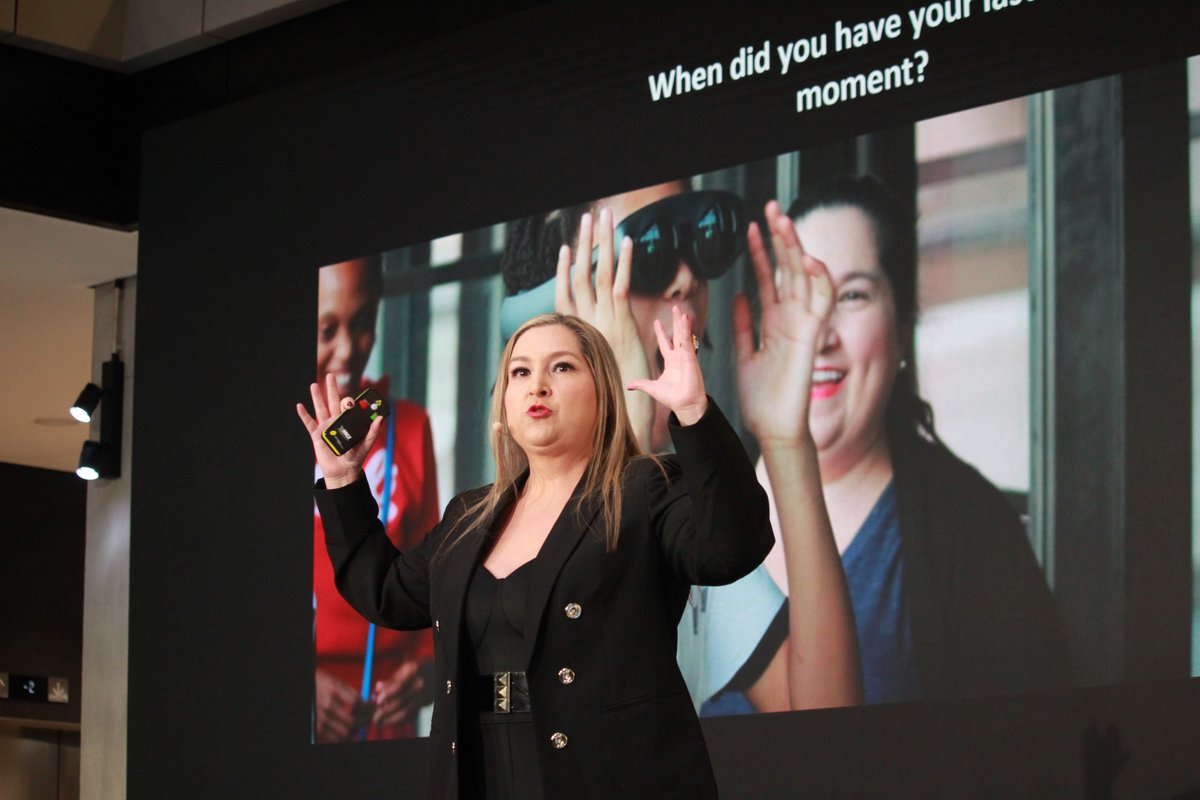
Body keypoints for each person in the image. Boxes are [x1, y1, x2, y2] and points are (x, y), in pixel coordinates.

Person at [297, 309, 801, 799]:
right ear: (504, 400)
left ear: (603, 392)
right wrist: (341, 481)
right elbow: (387, 594)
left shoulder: (644, 487)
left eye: (561, 367)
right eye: (520, 372)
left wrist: (694, 414)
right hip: (482, 771)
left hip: (608, 776)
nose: (537, 385)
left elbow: (732, 548)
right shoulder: (469, 515)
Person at [737, 175, 1070, 705]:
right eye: (797, 295)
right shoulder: (697, 507)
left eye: (851, 295)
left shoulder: (972, 531)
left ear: (902, 323)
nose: (818, 337)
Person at [499, 182, 798, 713]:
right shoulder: (497, 533)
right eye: (649, 252)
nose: (686, 278)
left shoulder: (685, 515)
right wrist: (620, 425)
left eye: (694, 241)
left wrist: (789, 439)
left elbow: (825, 709)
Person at [312, 257, 440, 741]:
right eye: (327, 330)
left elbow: (431, 564)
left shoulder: (407, 425)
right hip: (297, 710)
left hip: (387, 716)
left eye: (364, 323)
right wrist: (306, 685)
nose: (349, 350)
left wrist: (426, 669)